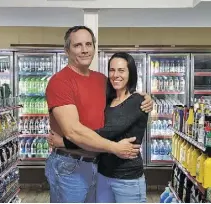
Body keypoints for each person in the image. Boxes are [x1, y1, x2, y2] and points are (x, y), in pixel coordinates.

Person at [45, 25, 152, 203]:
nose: (85, 49)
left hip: (98, 165)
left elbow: (120, 106)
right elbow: (74, 131)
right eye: (78, 45)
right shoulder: (60, 82)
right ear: (67, 50)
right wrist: (114, 147)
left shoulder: (101, 80)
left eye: (89, 44)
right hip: (70, 166)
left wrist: (145, 97)